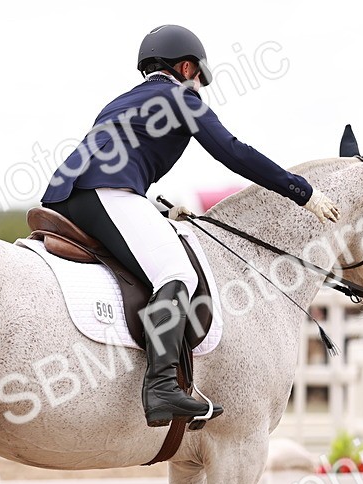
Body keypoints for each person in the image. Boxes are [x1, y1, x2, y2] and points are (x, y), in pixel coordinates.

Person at [41, 24, 340, 428]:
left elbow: (119, 155)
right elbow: (233, 151)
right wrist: (302, 191)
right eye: (199, 77)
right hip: (107, 193)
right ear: (186, 67)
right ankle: (162, 386)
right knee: (176, 271)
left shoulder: (123, 100)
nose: (200, 87)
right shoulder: (182, 96)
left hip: (67, 195)